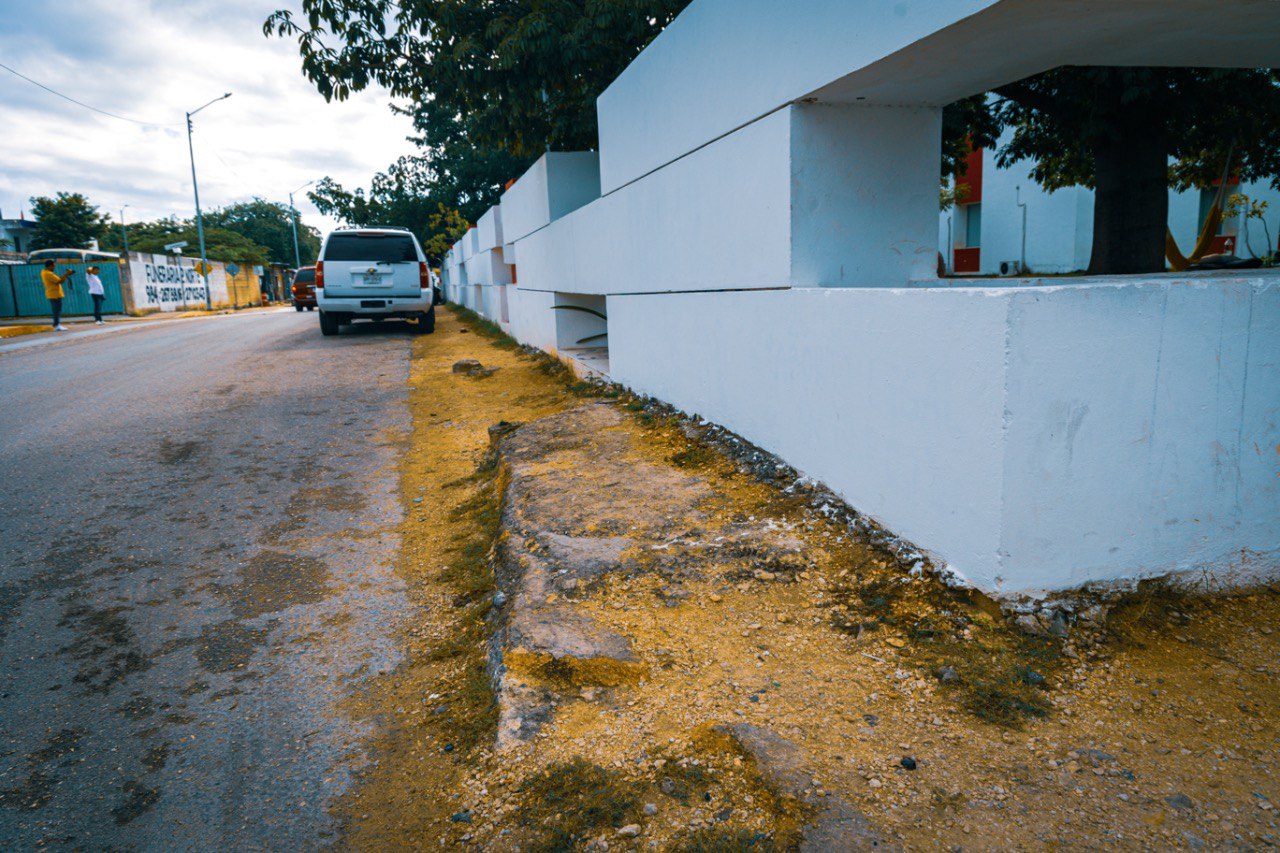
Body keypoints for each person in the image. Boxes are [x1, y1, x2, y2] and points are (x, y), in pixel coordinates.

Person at [40, 260, 75, 331]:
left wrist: (66, 274)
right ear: (49, 266)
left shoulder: (45, 272)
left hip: (54, 294)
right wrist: (66, 274)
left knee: (57, 310)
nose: (54, 267)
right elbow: (59, 281)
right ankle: (56, 325)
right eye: (53, 266)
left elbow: (59, 279)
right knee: (56, 310)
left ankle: (56, 324)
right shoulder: (48, 274)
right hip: (54, 294)